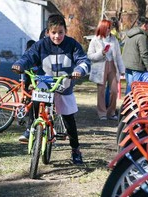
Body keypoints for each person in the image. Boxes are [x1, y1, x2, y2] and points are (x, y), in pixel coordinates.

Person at [12, 14, 90, 165]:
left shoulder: (72, 45)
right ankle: (31, 128)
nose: (57, 36)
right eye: (53, 33)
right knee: (35, 101)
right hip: (44, 82)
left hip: (63, 84)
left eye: (60, 32)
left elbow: (83, 59)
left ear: (65, 31)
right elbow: (28, 56)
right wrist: (20, 64)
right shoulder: (41, 45)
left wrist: (80, 69)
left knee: (69, 120)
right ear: (48, 32)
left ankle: (75, 150)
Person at [87, 19, 125, 121]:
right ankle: (102, 113)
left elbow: (118, 56)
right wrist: (101, 53)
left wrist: (122, 70)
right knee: (101, 91)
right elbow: (90, 55)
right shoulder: (95, 40)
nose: (109, 30)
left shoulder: (114, 40)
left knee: (114, 90)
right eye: (107, 28)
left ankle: (111, 112)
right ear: (102, 28)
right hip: (100, 66)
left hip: (112, 65)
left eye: (110, 28)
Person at [122, 16, 148, 94]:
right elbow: (144, 54)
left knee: (129, 86)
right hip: (137, 66)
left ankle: (127, 104)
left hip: (127, 64)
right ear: (144, 25)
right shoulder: (142, 37)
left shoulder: (129, 34)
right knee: (136, 88)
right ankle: (134, 105)